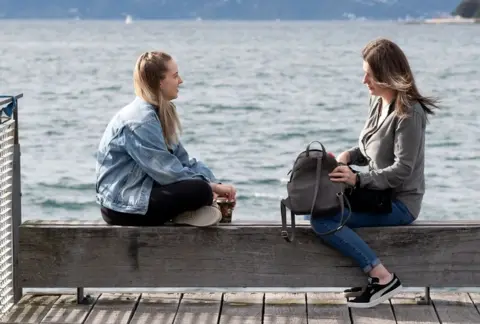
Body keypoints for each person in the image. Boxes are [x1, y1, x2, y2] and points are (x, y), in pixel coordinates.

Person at [309, 38, 439, 308]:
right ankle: (373, 276)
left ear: (387, 74)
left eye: (369, 74)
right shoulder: (378, 101)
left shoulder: (410, 113)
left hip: (399, 203)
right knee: (316, 206)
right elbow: (369, 147)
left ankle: (382, 278)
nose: (363, 80)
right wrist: (347, 157)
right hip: (375, 193)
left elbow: (402, 170)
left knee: (323, 220)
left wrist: (357, 179)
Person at [95, 51, 236, 227]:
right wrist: (210, 188)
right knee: (201, 191)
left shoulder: (159, 114)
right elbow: (167, 171)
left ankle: (187, 213)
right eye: (175, 76)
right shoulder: (140, 120)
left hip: (144, 195)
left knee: (203, 188)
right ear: (160, 82)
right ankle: (186, 213)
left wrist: (215, 183)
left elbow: (182, 160)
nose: (181, 81)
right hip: (122, 207)